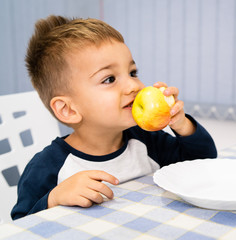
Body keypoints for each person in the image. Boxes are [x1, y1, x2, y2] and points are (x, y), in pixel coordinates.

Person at [11, 15, 217, 220]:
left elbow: (203, 164)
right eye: (109, 79)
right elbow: (20, 226)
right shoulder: (47, 167)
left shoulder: (147, 141)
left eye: (133, 72)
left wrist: (181, 124)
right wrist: (52, 200)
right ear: (68, 110)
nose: (134, 86)